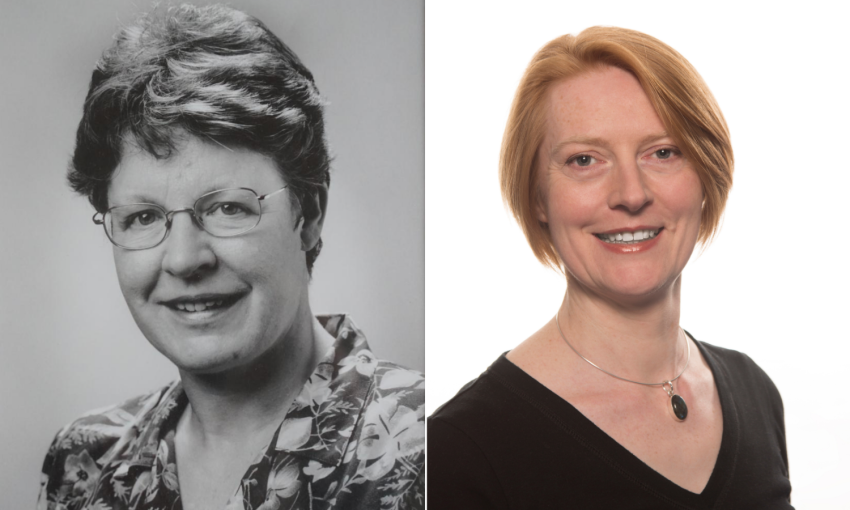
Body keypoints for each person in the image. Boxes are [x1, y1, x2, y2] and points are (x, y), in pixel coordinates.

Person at [37, 5, 424, 510]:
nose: (182, 259)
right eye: (144, 217)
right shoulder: (83, 466)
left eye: (227, 208)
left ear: (308, 215)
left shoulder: (433, 447)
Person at [428, 27, 792, 509]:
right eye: (584, 160)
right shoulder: (461, 451)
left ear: (706, 172)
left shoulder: (754, 392)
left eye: (663, 152)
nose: (631, 193)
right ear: (538, 197)